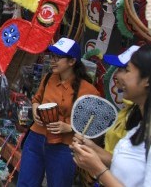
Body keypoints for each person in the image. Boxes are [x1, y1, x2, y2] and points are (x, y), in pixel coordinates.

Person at [17, 37, 100, 187]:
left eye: (58, 57)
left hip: (63, 145)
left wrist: (69, 127)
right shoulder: (48, 78)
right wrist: (35, 109)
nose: (53, 60)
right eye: (52, 56)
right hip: (36, 138)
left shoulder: (88, 90)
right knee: (25, 182)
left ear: (72, 61)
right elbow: (36, 98)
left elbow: (95, 123)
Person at [71, 44, 151, 187]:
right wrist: (93, 150)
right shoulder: (140, 123)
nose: (118, 76)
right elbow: (129, 165)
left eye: (126, 70)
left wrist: (98, 169)